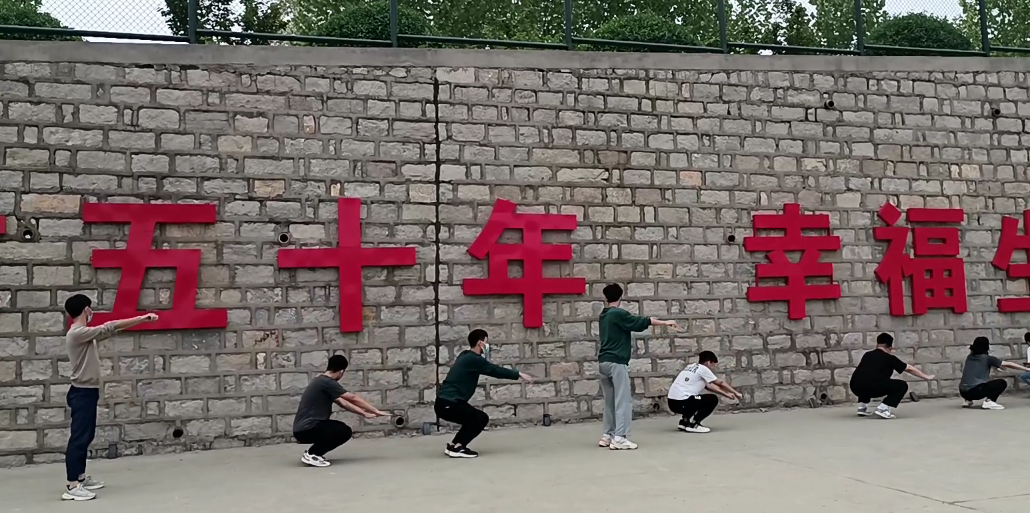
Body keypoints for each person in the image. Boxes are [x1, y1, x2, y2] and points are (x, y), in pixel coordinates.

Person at [62, 294, 158, 501]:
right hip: (81, 392)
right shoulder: (77, 333)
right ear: (85, 310)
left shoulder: (84, 334)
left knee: (86, 436)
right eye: (89, 308)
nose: (91, 312)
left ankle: (80, 477)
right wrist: (142, 318)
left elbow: (110, 330)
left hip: (87, 391)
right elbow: (110, 327)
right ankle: (72, 485)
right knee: (79, 438)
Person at [597, 283, 678, 450]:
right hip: (616, 362)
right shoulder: (618, 313)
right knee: (623, 401)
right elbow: (641, 322)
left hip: (603, 362)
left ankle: (607, 435)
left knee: (610, 402)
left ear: (606, 298)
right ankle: (620, 438)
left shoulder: (604, 315)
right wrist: (665, 322)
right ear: (620, 297)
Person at [434, 329, 533, 459]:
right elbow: (494, 370)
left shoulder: (465, 355)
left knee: (472, 418)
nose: (487, 345)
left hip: (445, 403)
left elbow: (486, 365)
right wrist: (518, 374)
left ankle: (454, 445)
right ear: (480, 343)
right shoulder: (473, 359)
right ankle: (458, 447)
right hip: (449, 403)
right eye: (486, 342)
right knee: (480, 418)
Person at [293, 354, 388, 467]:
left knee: (340, 428)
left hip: (303, 429)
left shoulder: (320, 381)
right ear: (341, 371)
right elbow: (352, 398)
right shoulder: (327, 382)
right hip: (307, 429)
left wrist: (364, 413)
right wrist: (375, 410)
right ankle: (313, 454)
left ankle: (313, 453)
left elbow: (343, 403)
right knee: (343, 432)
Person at [849, 332, 935, 419]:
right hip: (872, 388)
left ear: (877, 344)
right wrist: (926, 377)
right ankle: (883, 408)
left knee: (867, 378)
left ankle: (862, 407)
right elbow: (909, 368)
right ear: (890, 347)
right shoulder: (889, 358)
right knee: (901, 385)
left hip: (855, 387)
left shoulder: (867, 355)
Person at [666, 351, 743, 433]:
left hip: (672, 403)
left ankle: (685, 422)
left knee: (695, 398)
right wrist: (736, 393)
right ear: (708, 362)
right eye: (713, 364)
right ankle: (695, 424)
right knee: (712, 399)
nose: (713, 367)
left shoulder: (690, 367)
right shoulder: (703, 369)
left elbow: (709, 386)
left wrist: (726, 394)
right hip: (683, 402)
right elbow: (720, 383)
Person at [959, 337, 1030, 410]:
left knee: (972, 382)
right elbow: (1009, 364)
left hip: (963, 392)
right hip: (976, 392)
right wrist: (1026, 369)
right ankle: (989, 401)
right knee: (1001, 383)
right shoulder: (988, 358)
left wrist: (996, 367)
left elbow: (979, 366)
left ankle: (967, 400)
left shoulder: (969, 357)